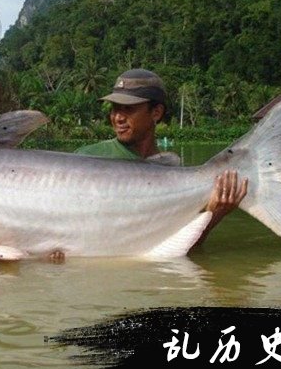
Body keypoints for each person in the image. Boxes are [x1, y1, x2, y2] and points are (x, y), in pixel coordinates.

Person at [75, 68, 248, 248]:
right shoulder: (88, 158)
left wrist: (214, 214)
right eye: (115, 109)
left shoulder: (175, 175)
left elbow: (180, 251)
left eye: (128, 109)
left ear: (156, 112)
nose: (118, 117)